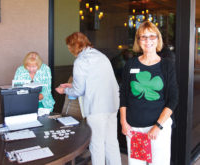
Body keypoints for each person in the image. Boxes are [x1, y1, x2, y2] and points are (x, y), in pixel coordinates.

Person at [55, 32, 121, 165]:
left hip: (97, 107)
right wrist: (72, 85)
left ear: (73, 46)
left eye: (69, 47)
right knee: (111, 143)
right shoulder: (101, 56)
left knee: (96, 145)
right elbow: (94, 81)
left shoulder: (80, 61)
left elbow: (79, 90)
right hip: (112, 105)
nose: (69, 50)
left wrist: (65, 90)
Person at [120, 21, 178, 165]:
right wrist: (123, 122)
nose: (148, 41)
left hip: (159, 129)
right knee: (137, 163)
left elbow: (173, 99)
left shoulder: (166, 65)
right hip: (135, 128)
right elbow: (124, 95)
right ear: (138, 41)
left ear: (158, 39)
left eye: (152, 36)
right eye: (143, 37)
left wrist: (157, 126)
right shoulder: (131, 64)